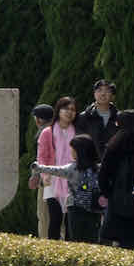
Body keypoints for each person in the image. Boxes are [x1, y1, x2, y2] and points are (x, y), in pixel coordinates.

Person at [98, 109, 134, 248]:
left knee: (120, 242)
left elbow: (103, 174)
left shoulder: (115, 143)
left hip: (119, 199)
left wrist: (109, 193)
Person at [33, 133, 108, 243]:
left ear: (79, 152)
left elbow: (55, 170)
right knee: (92, 238)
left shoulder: (72, 168)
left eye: (73, 150)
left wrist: (38, 167)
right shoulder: (98, 169)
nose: (71, 152)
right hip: (94, 207)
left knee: (77, 238)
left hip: (75, 207)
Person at [31, 97, 75, 239]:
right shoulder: (47, 132)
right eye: (65, 109)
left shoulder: (76, 130)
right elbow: (42, 157)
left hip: (72, 180)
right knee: (55, 219)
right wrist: (44, 175)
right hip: (52, 179)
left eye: (72, 109)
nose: (68, 112)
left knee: (69, 221)